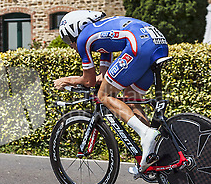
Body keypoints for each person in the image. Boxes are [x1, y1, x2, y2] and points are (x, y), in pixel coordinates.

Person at [53, 10, 169, 174]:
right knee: (131, 98)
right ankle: (154, 151)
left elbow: (88, 81)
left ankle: (146, 134)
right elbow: (103, 74)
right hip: (158, 43)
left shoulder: (83, 39)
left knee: (104, 95)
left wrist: (67, 80)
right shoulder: (99, 35)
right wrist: (101, 77)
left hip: (139, 44)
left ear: (74, 29)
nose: (70, 44)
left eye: (67, 39)